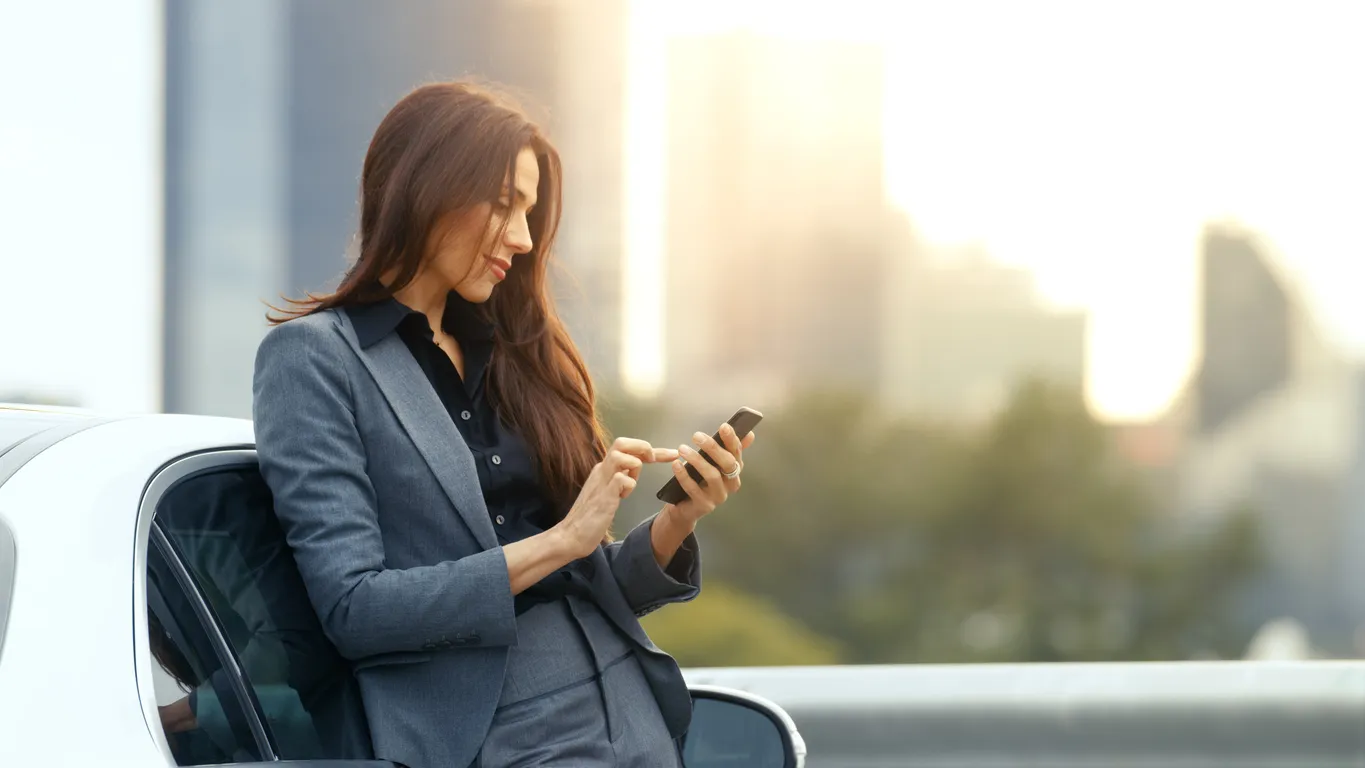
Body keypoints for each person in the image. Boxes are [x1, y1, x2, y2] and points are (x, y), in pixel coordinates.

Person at [252, 80, 755, 768]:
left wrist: (675, 522)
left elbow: (583, 587)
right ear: (427, 188)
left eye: (529, 213)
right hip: (494, 737)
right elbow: (354, 611)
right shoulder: (315, 359)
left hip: (631, 716)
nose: (521, 239)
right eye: (503, 206)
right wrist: (562, 541)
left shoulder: (518, 352)